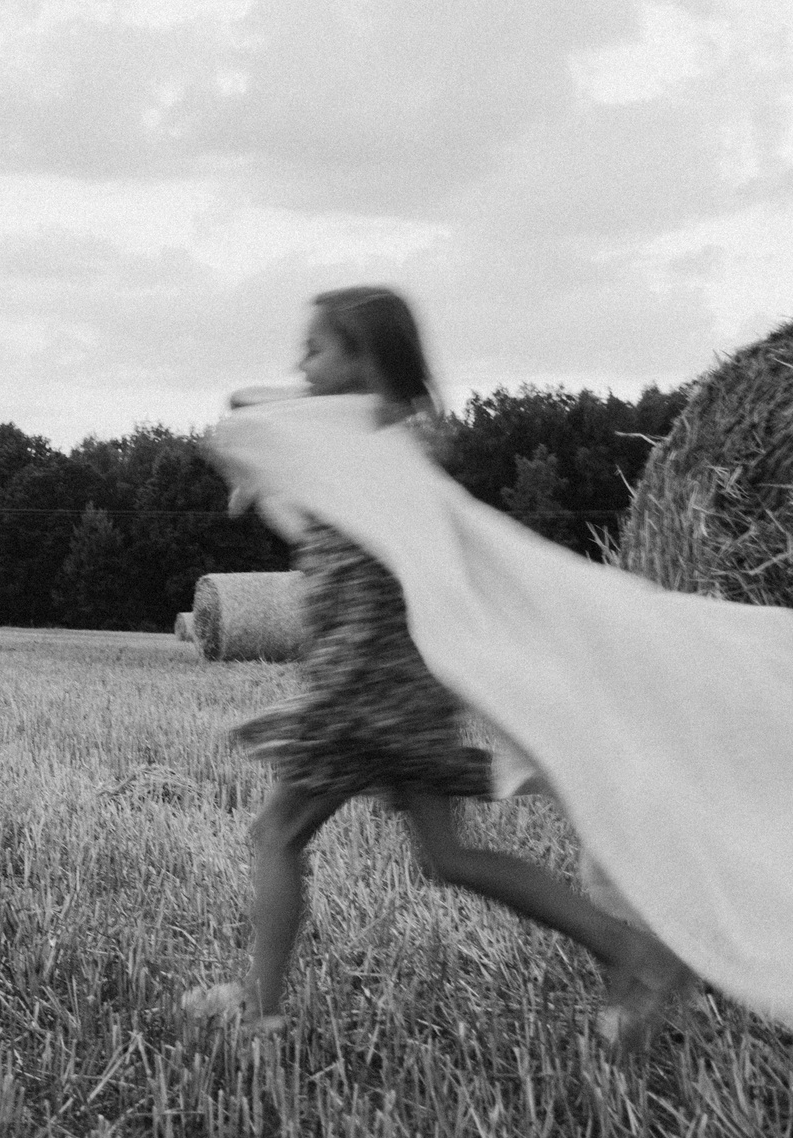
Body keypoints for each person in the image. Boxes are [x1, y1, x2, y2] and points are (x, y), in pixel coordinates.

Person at [184, 287, 695, 1045]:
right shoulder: (382, 444)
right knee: (448, 856)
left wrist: (313, 712)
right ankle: (628, 952)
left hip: (364, 694)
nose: (300, 362)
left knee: (277, 836)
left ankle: (258, 1012)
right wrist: (286, 433)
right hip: (404, 693)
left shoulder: (375, 463)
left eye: (317, 347)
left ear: (364, 362)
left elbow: (364, 605)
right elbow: (245, 405)